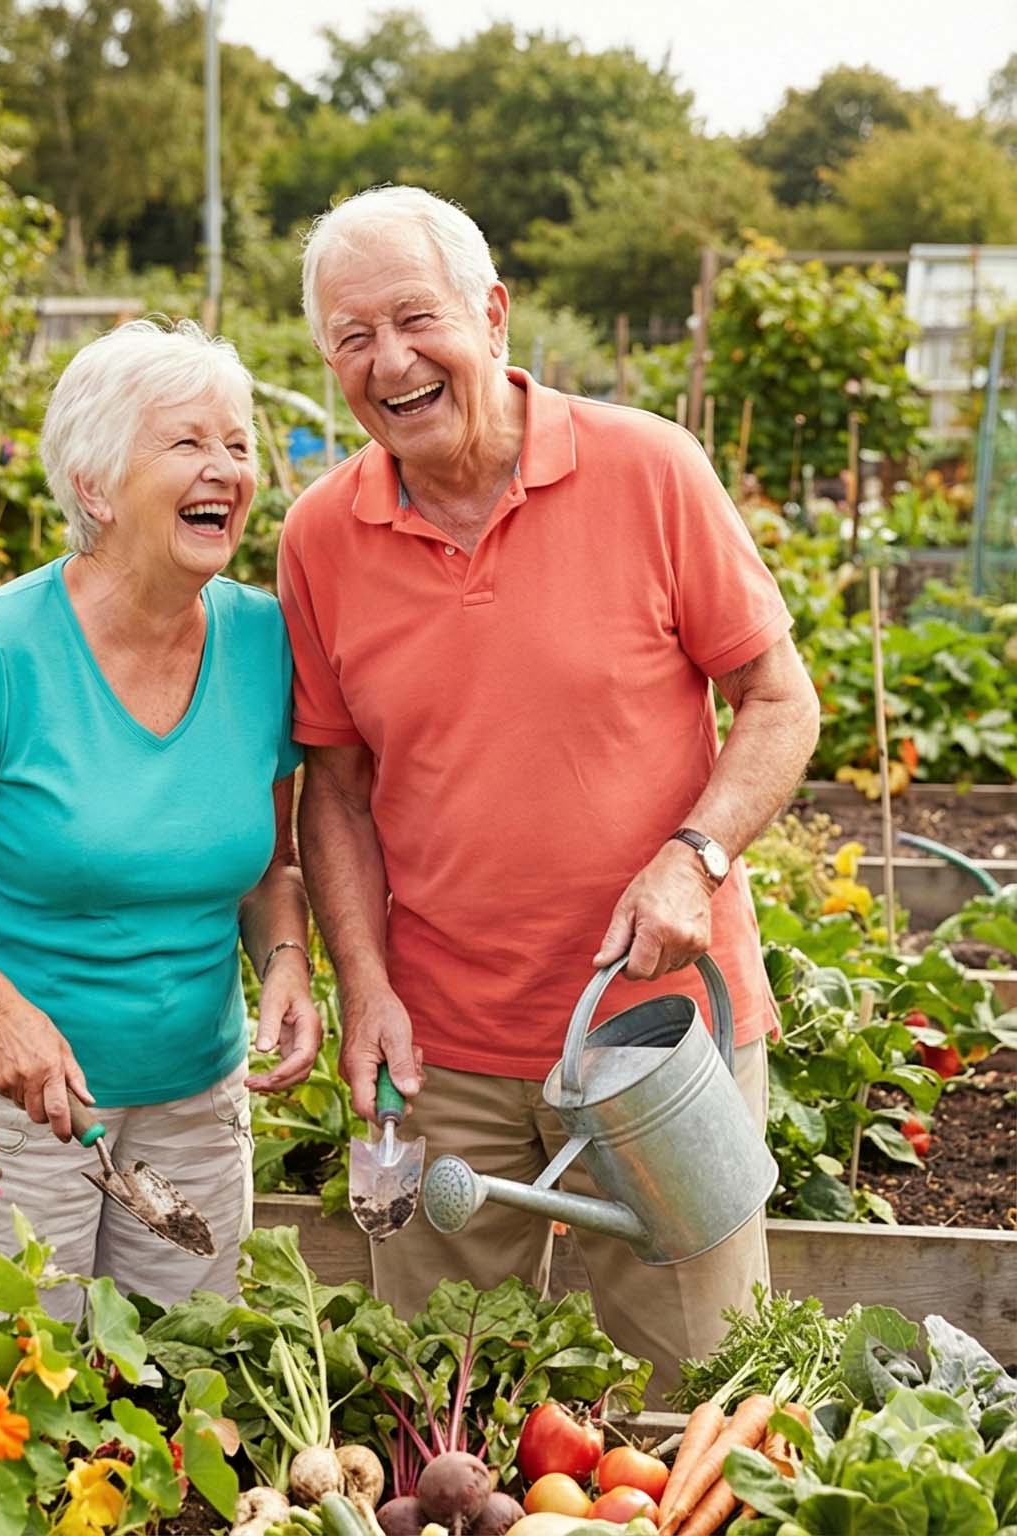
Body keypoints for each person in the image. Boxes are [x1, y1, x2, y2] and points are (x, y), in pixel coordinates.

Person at [276, 186, 821, 1393]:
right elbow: (336, 788)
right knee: (438, 1402)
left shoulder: (646, 470)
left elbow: (780, 703)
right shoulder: (319, 534)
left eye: (415, 320)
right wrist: (359, 982)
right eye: (351, 339)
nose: (389, 362)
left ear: (493, 314)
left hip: (655, 1032)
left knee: (703, 1396)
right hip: (438, 1052)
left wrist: (694, 854)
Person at [0, 319, 322, 1313]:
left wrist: (284, 962)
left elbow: (267, 864)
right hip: (9, 1106)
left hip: (193, 1096)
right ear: (94, 487)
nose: (225, 469)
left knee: (175, 1386)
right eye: (186, 443)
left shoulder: (260, 642)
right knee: (13, 1398)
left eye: (237, 445)